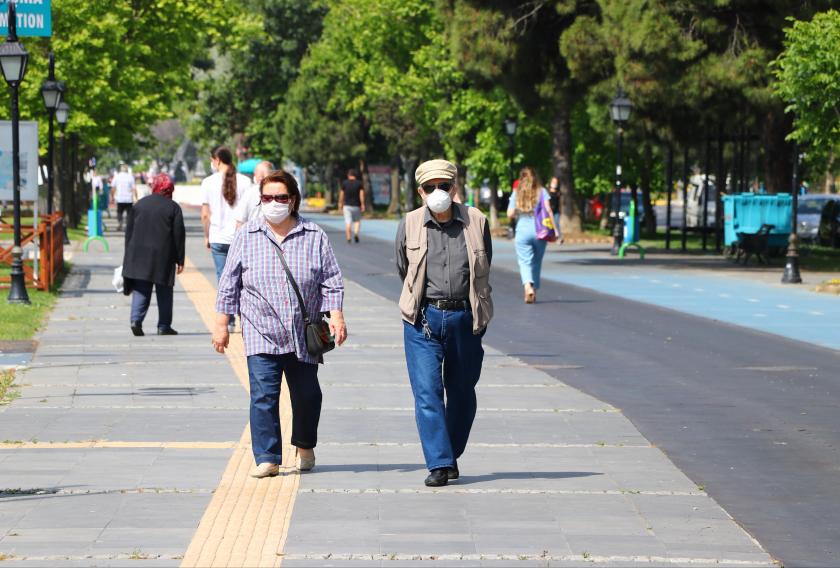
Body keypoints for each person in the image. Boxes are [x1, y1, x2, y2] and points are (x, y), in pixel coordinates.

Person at [212, 170, 348, 478]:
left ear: (294, 200)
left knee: (308, 394)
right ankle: (268, 456)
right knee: (263, 395)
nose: (274, 203)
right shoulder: (247, 235)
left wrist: (336, 316)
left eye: (281, 197)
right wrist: (222, 324)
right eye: (267, 198)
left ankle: (304, 444)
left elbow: (331, 280)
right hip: (261, 331)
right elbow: (229, 283)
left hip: (303, 332)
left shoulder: (314, 235)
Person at [395, 159, 493, 487]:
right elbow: (402, 267)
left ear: (455, 188)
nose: (438, 193)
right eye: (430, 187)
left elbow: (484, 267)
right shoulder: (409, 223)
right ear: (419, 191)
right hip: (422, 319)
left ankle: (450, 452)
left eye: (444, 186)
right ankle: (439, 463)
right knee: (427, 392)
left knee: (462, 392)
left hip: (465, 317)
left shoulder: (476, 220)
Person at [122, 174, 185, 336]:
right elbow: (178, 235)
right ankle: (163, 326)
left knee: (141, 289)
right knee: (164, 290)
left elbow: (129, 232)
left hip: (138, 254)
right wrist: (180, 259)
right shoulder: (173, 207)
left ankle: (136, 320)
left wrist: (128, 254)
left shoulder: (139, 205)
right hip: (163, 255)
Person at [201, 146, 251, 333]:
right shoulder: (246, 182)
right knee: (244, 280)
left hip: (218, 237)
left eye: (211, 159)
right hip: (241, 237)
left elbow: (205, 215)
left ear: (217, 159)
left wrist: (207, 235)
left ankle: (228, 320)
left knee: (224, 280)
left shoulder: (208, 182)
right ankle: (244, 317)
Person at [507, 167, 558, 304]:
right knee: (536, 261)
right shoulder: (542, 191)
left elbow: (509, 214)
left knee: (525, 261)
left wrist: (520, 208)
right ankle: (534, 290)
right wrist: (556, 231)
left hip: (522, 231)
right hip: (540, 230)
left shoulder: (516, 192)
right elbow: (549, 211)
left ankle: (528, 286)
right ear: (536, 178)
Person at [234, 160, 274, 229]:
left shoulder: (249, 193)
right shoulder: (279, 191)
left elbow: (240, 221)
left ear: (257, 175)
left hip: (252, 235)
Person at [338, 169, 365, 243]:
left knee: (348, 222)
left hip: (347, 206)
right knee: (357, 221)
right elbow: (361, 195)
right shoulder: (359, 183)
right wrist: (362, 204)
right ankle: (356, 233)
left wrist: (340, 203)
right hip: (356, 205)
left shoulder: (345, 183)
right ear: (355, 175)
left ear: (348, 175)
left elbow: (341, 194)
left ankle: (348, 237)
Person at [112, 164, 136, 231]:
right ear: (127, 169)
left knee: (119, 212)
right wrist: (136, 197)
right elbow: (134, 188)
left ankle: (120, 223)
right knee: (129, 213)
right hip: (128, 198)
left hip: (120, 198)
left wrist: (112, 196)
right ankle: (128, 226)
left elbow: (113, 187)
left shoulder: (117, 176)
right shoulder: (130, 177)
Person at [548, 176, 563, 243]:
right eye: (553, 182)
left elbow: (560, 202)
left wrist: (560, 210)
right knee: (548, 224)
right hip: (549, 211)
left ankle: (559, 237)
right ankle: (548, 237)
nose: (554, 183)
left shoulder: (558, 193)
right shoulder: (547, 192)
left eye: (556, 182)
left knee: (556, 224)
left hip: (556, 210)